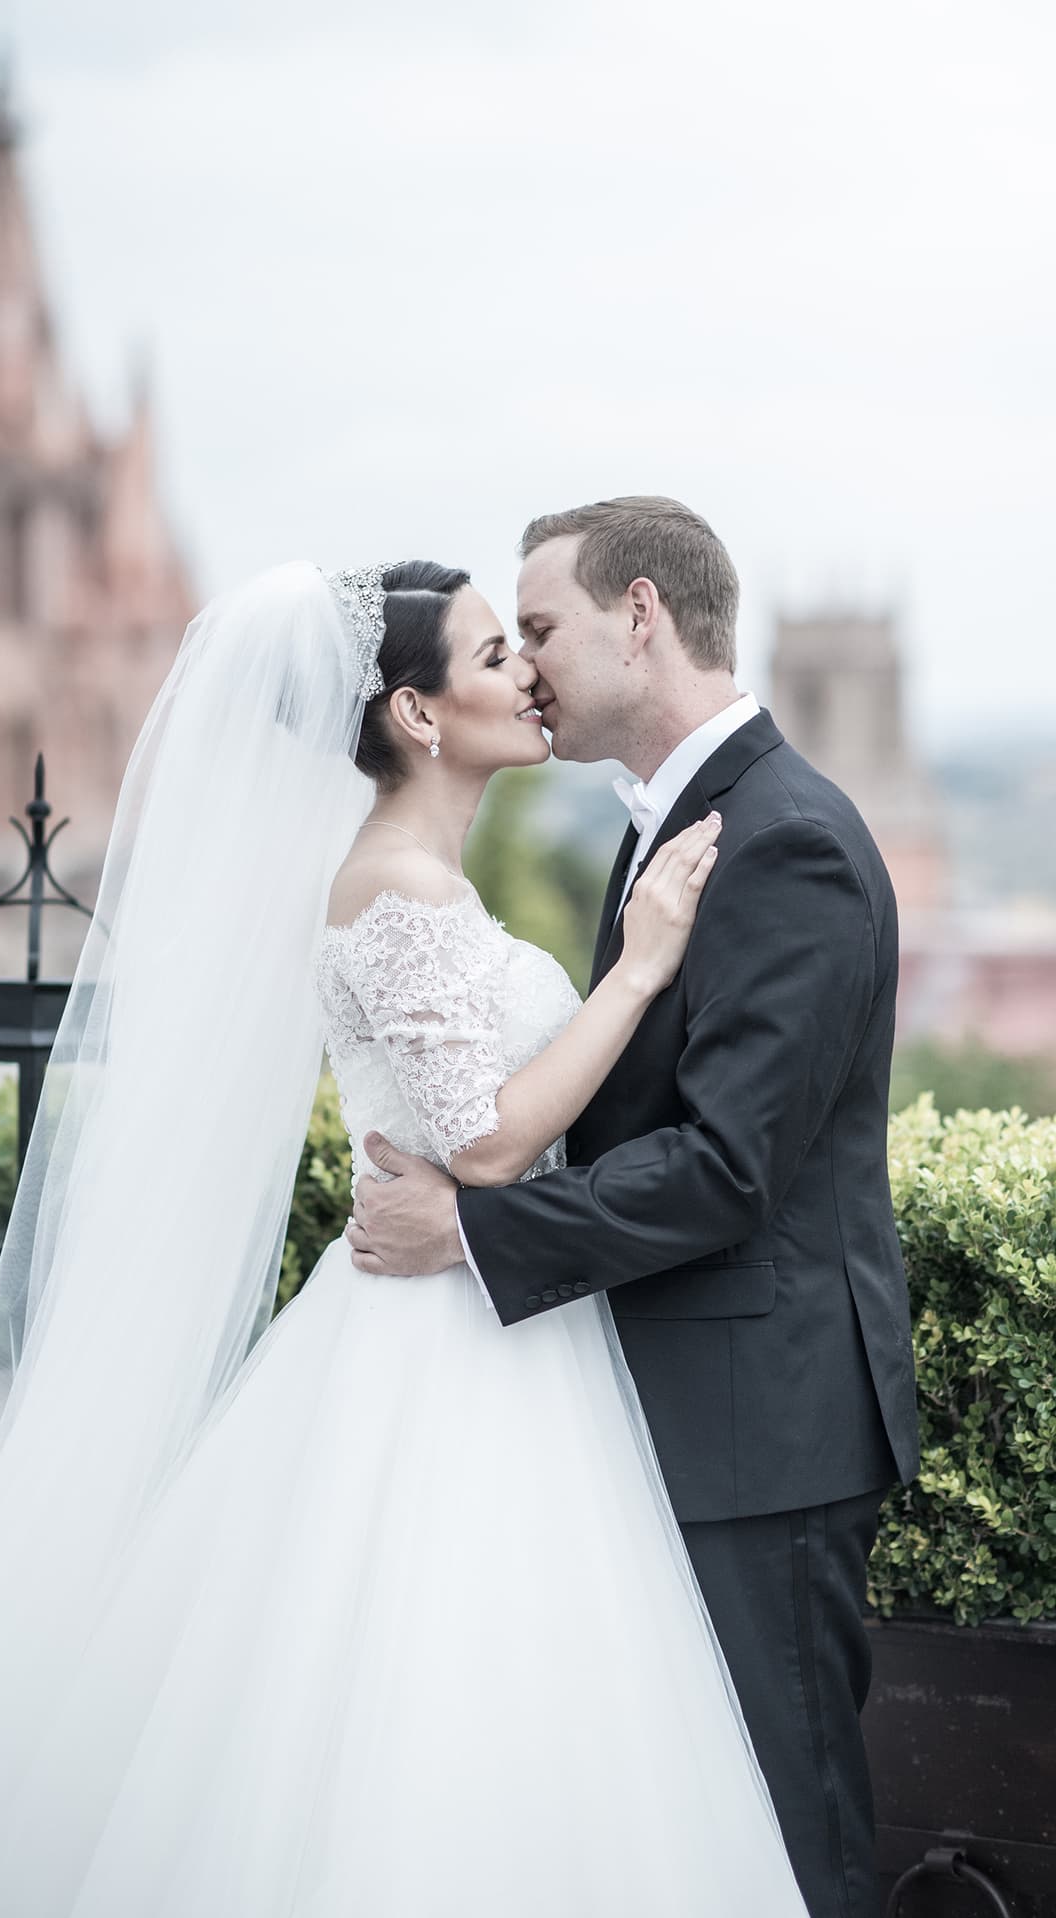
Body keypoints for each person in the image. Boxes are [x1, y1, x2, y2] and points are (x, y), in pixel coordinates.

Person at [0, 555, 811, 1916]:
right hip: (444, 1352)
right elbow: (489, 1139)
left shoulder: (426, 878)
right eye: (498, 655)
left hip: (489, 1313)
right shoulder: (397, 887)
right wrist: (640, 965)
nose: (528, 676)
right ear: (420, 715)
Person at [347, 502, 922, 1918]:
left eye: (539, 629)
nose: (530, 667)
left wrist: (471, 1230)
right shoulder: (675, 826)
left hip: (759, 1432)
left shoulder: (784, 839)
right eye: (509, 644)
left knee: (788, 1839)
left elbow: (730, 1167)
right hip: (649, 1411)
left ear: (642, 615)